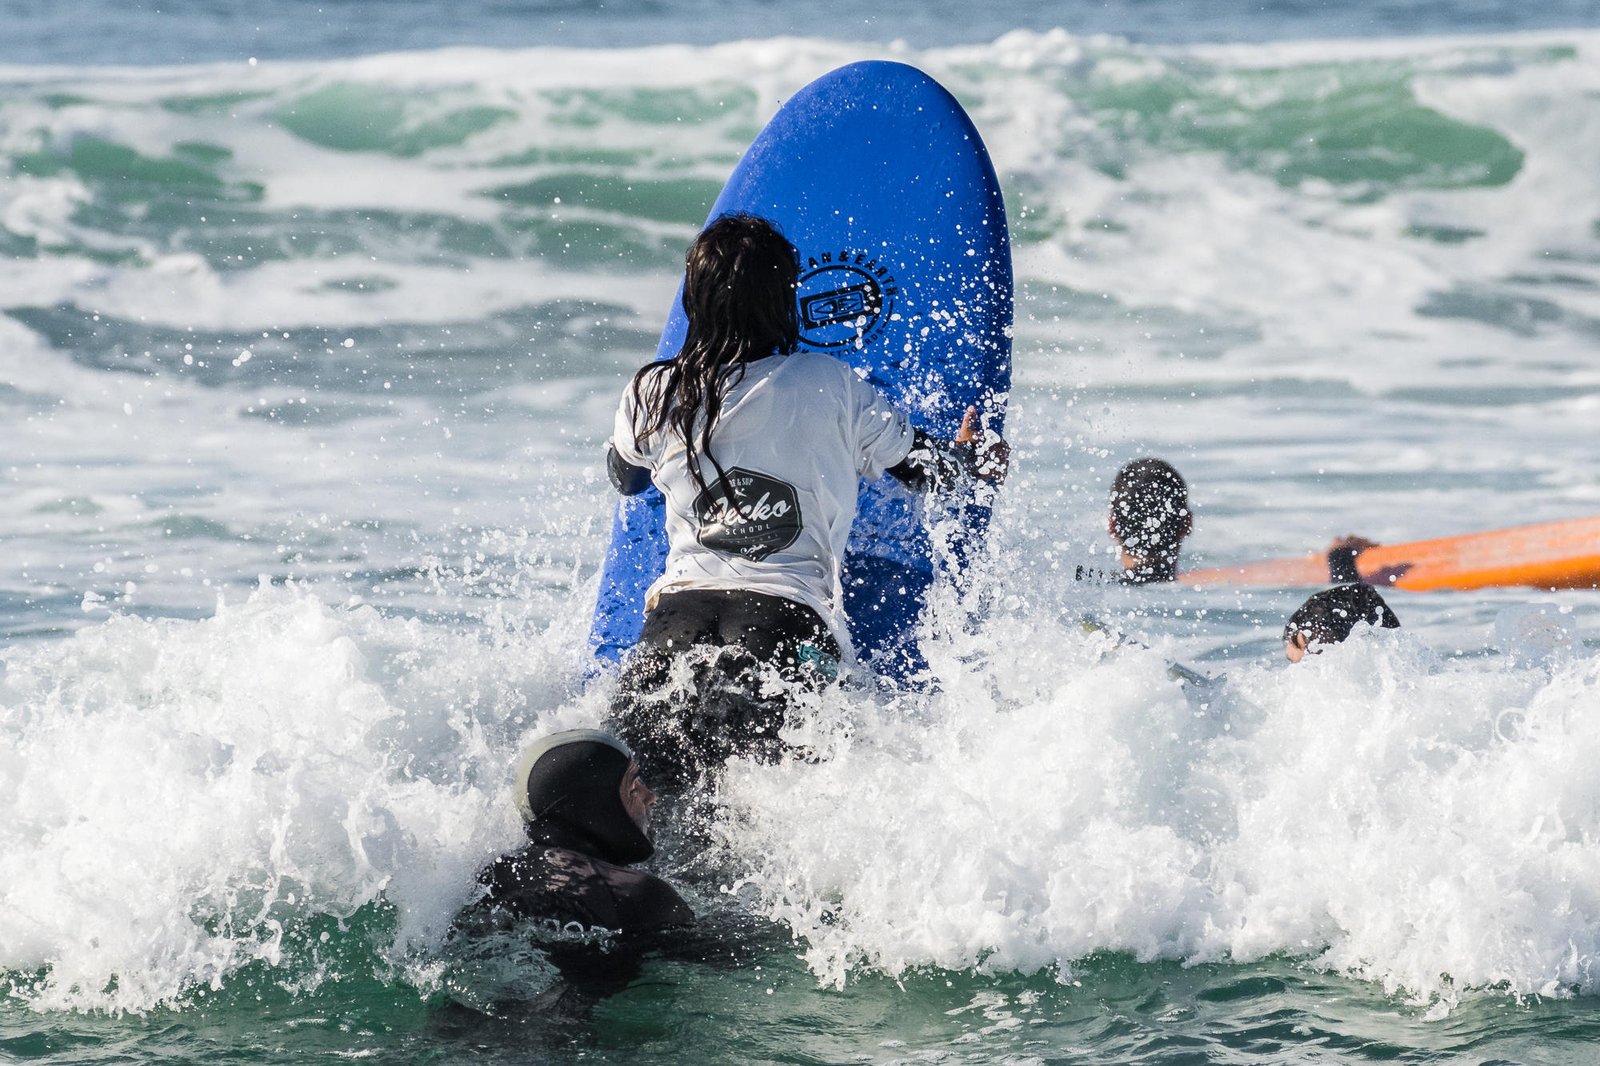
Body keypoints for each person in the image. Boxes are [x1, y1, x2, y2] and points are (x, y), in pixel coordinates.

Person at [604, 213, 1008, 789]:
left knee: (647, 815)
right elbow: (929, 472)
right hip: (784, 630)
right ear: (784, 302)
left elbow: (625, 478)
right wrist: (973, 461)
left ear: (693, 301)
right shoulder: (832, 384)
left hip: (671, 634)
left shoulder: (654, 390)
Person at [464, 729, 692, 935]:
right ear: (597, 806)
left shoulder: (489, 878)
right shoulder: (639, 894)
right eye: (633, 787)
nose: (651, 797)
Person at [1282, 540, 1402, 662]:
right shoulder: (1304, 637)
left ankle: (1339, 550)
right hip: (1341, 610)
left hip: (1348, 609)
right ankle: (1339, 552)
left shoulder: (1319, 636)